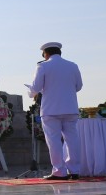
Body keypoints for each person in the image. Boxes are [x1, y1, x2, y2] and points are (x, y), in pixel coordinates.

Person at [28, 42, 83, 180]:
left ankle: (59, 171)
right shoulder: (73, 65)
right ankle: (74, 170)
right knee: (72, 139)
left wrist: (30, 92)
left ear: (45, 54)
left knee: (54, 141)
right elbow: (78, 86)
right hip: (70, 108)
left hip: (51, 110)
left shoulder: (43, 66)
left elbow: (36, 87)